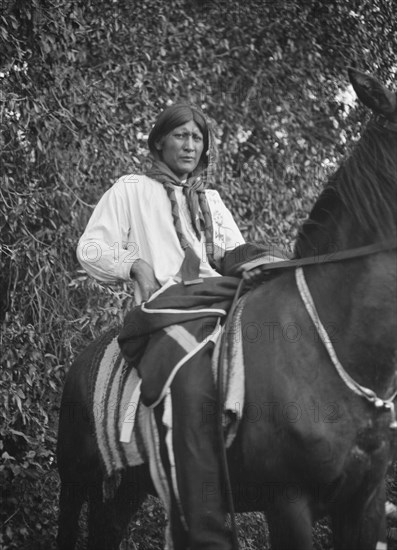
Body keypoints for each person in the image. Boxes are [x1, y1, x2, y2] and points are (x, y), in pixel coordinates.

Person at [77, 103, 245, 549]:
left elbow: (234, 255)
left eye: (197, 137)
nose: (190, 144)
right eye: (181, 135)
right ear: (159, 142)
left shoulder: (211, 201)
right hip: (167, 310)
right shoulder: (131, 189)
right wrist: (133, 263)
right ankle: (195, 513)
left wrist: (264, 261)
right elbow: (90, 247)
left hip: (219, 304)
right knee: (189, 378)